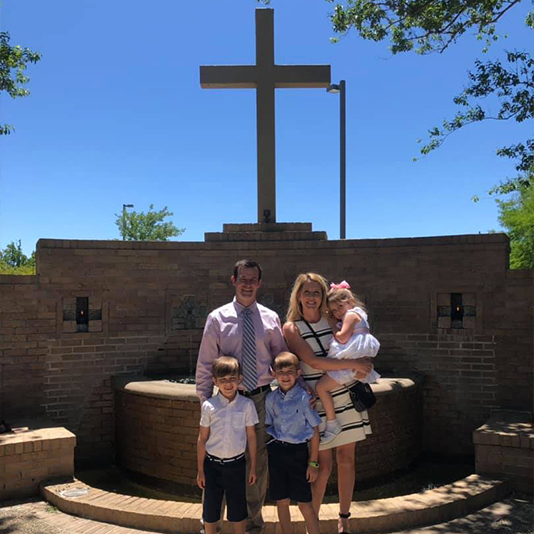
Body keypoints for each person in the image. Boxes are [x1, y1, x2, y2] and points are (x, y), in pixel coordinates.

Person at [196, 259, 287, 534]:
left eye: (253, 280)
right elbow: (205, 363)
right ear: (233, 280)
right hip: (224, 400)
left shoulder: (271, 318)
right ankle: (211, 524)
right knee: (217, 459)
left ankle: (251, 524)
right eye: (243, 279)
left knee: (255, 462)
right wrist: (204, 403)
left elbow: (282, 359)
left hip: (259, 399)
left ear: (259, 283)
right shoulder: (217, 318)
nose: (248, 284)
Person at [283, 273, 373, 534]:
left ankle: (344, 518)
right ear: (298, 296)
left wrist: (363, 363)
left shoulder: (333, 320)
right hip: (317, 402)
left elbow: (355, 344)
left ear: (323, 297)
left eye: (317, 293)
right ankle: (314, 525)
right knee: (323, 467)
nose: (311, 298)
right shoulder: (291, 328)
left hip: (345, 394)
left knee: (347, 460)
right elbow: (314, 362)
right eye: (307, 292)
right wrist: (354, 364)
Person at [197, 357, 258, 534]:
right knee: (210, 510)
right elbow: (202, 439)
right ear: (215, 381)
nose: (228, 384)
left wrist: (253, 467)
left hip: (236, 466)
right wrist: (200, 470)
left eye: (232, 378)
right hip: (212, 466)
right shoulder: (209, 406)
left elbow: (251, 437)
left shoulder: (247, 405)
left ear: (240, 379)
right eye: (222, 380)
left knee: (238, 510)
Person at [316, 281, 380, 444]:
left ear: (350, 301)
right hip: (354, 360)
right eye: (334, 310)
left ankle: (332, 422)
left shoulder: (351, 315)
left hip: (351, 360)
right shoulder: (355, 315)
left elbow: (343, 337)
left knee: (321, 387)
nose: (337, 312)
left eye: (340, 307)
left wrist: (332, 325)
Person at [265, 352, 322, 534]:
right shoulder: (271, 399)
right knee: (281, 502)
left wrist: (313, 463)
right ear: (273, 374)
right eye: (280, 372)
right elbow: (269, 424)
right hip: (277, 453)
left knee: (305, 504)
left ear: (298, 373)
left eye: (289, 372)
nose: (285, 376)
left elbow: (314, 432)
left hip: (298, 454)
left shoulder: (305, 398)